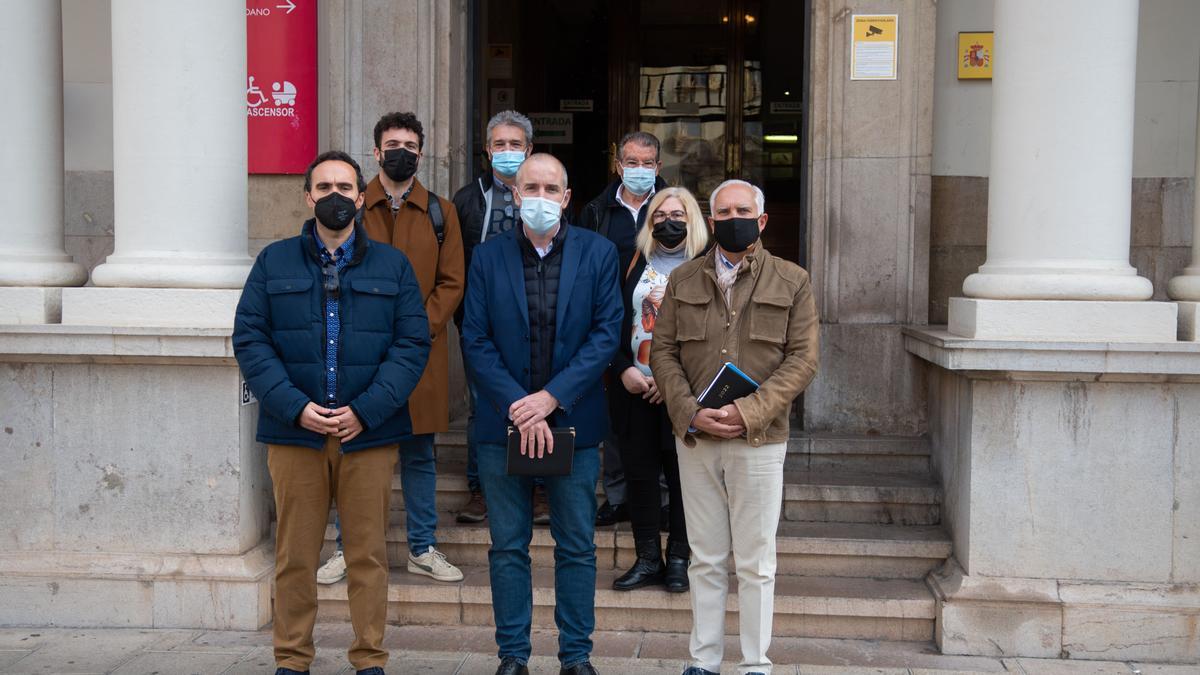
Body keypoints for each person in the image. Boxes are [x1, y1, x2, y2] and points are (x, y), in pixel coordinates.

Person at [233, 150, 431, 675]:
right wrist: (295, 407)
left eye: (345, 186)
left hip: (367, 433)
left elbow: (412, 345)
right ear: (308, 197)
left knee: (367, 556)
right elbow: (250, 341)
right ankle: (292, 659)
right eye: (324, 188)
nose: (335, 196)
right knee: (295, 556)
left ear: (361, 196)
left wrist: (364, 411)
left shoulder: (393, 266)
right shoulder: (273, 262)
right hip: (294, 433)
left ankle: (369, 659)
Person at [650, 180, 819, 675]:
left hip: (760, 439)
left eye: (742, 210)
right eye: (723, 211)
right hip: (698, 437)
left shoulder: (792, 280)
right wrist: (688, 411)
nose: (732, 218)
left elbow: (803, 359)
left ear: (761, 220)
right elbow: (663, 353)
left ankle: (754, 665)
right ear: (711, 219)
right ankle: (703, 662)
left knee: (755, 561)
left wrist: (748, 411)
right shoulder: (683, 280)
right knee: (704, 557)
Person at [462, 153, 621, 675]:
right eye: (530, 187)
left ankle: (576, 657)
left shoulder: (598, 254)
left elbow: (605, 336)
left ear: (567, 197)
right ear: (515, 194)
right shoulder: (486, 258)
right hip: (500, 423)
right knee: (508, 547)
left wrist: (550, 399)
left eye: (551, 188)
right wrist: (518, 405)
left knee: (576, 546)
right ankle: (513, 656)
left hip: (573, 420)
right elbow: (475, 338)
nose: (541, 197)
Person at [316, 112, 465, 587]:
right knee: (355, 453)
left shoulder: (442, 211)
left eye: (410, 144)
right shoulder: (352, 207)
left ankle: (422, 546)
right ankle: (347, 547)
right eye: (392, 143)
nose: (401, 151)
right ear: (375, 152)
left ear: (421, 153)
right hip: (359, 354)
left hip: (419, 355)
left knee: (420, 454)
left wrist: (415, 331)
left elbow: (452, 282)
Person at [451, 110, 554, 525]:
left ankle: (542, 489)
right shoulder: (467, 199)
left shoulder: (546, 197)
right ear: (486, 151)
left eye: (516, 145)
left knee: (541, 402)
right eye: (499, 145)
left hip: (540, 319)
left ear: (529, 149)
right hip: (485, 322)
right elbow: (456, 264)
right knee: (483, 406)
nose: (507, 152)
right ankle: (481, 490)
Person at [609, 187, 709, 593]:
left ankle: (680, 559)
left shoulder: (708, 266)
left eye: (678, 214)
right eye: (660, 214)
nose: (669, 221)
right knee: (641, 475)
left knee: (683, 477)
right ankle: (648, 557)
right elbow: (608, 319)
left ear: (694, 220)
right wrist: (621, 370)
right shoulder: (630, 262)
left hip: (685, 394)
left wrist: (672, 384)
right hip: (634, 389)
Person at [578, 130, 669, 527]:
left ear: (659, 167)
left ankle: (662, 497)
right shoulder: (596, 212)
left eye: (648, 163)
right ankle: (617, 496)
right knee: (616, 416)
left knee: (662, 416)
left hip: (661, 327)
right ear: (618, 165)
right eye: (632, 162)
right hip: (610, 324)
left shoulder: (672, 208)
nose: (639, 170)